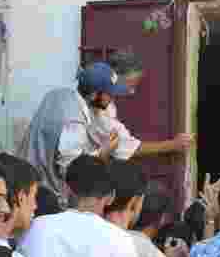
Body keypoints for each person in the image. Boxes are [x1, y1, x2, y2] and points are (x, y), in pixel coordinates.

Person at [20, 62, 193, 207]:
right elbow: (72, 171)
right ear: (95, 94)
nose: (112, 98)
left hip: (27, 178)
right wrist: (103, 153)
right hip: (41, 195)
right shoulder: (74, 123)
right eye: (109, 94)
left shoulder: (61, 96)